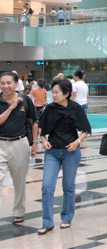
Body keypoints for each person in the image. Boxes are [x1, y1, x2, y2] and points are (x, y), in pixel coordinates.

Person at [38, 79, 91, 234]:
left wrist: (77, 142)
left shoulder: (75, 108)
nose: (53, 95)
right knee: (47, 186)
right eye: (52, 92)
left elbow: (85, 129)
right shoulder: (50, 109)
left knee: (68, 186)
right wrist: (43, 141)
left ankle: (67, 217)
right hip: (52, 152)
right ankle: (47, 222)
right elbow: (42, 128)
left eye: (57, 92)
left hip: (70, 152)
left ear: (66, 94)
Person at [0, 71, 38, 226]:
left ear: (16, 84)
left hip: (20, 143)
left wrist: (35, 142)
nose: (5, 86)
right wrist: (11, 107)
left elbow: (34, 121)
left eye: (9, 83)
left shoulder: (26, 100)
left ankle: (18, 212)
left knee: (19, 181)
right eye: (2, 83)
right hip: (1, 143)